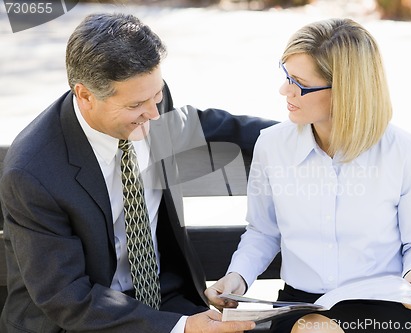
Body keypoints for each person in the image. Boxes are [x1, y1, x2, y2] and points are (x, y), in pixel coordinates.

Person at [0, 13, 277, 333]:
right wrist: (185, 327)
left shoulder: (146, 99)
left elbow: (203, 124)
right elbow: (68, 299)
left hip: (163, 299)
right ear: (85, 95)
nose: (155, 114)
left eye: (157, 96)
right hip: (77, 320)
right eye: (136, 105)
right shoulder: (34, 172)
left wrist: (304, 135)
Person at [206, 18, 411, 333]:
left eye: (299, 84)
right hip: (299, 304)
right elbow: (263, 232)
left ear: (346, 90)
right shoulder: (272, 145)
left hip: (381, 304)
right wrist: (237, 278)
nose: (284, 90)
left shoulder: (404, 150)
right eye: (286, 75)